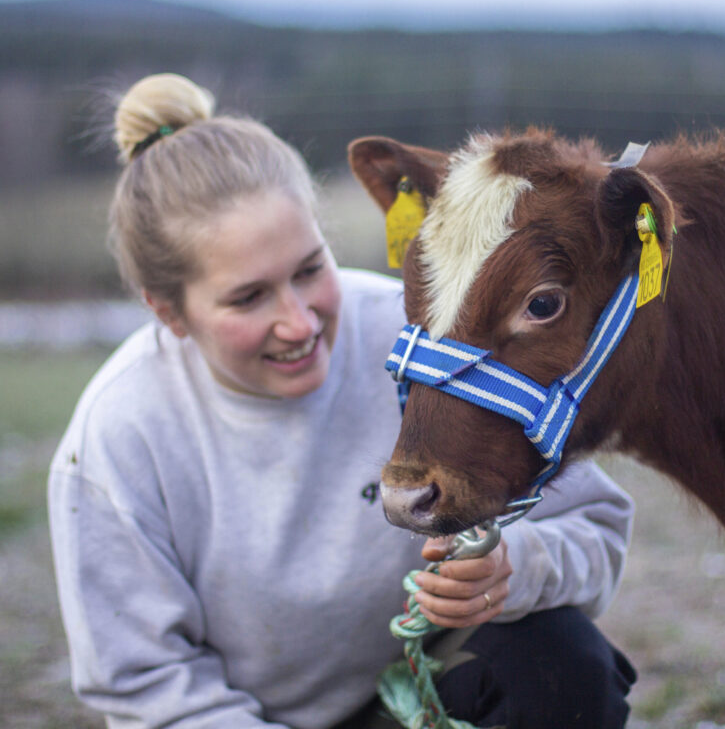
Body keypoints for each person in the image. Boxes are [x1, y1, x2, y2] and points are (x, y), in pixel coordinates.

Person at [48, 73, 637, 729]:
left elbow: (597, 525)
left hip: (422, 697)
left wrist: (513, 568)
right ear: (169, 312)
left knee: (560, 662)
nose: (298, 323)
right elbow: (141, 678)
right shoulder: (120, 433)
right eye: (248, 297)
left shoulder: (423, 339)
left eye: (309, 270)